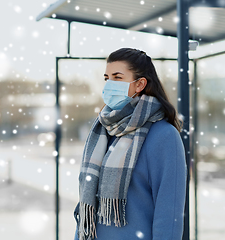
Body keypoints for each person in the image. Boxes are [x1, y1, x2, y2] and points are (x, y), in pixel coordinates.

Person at [73, 48, 187, 240]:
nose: (110, 84)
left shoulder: (164, 136)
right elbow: (87, 204)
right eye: (107, 78)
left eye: (118, 78)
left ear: (140, 84)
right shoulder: (103, 131)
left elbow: (169, 216)